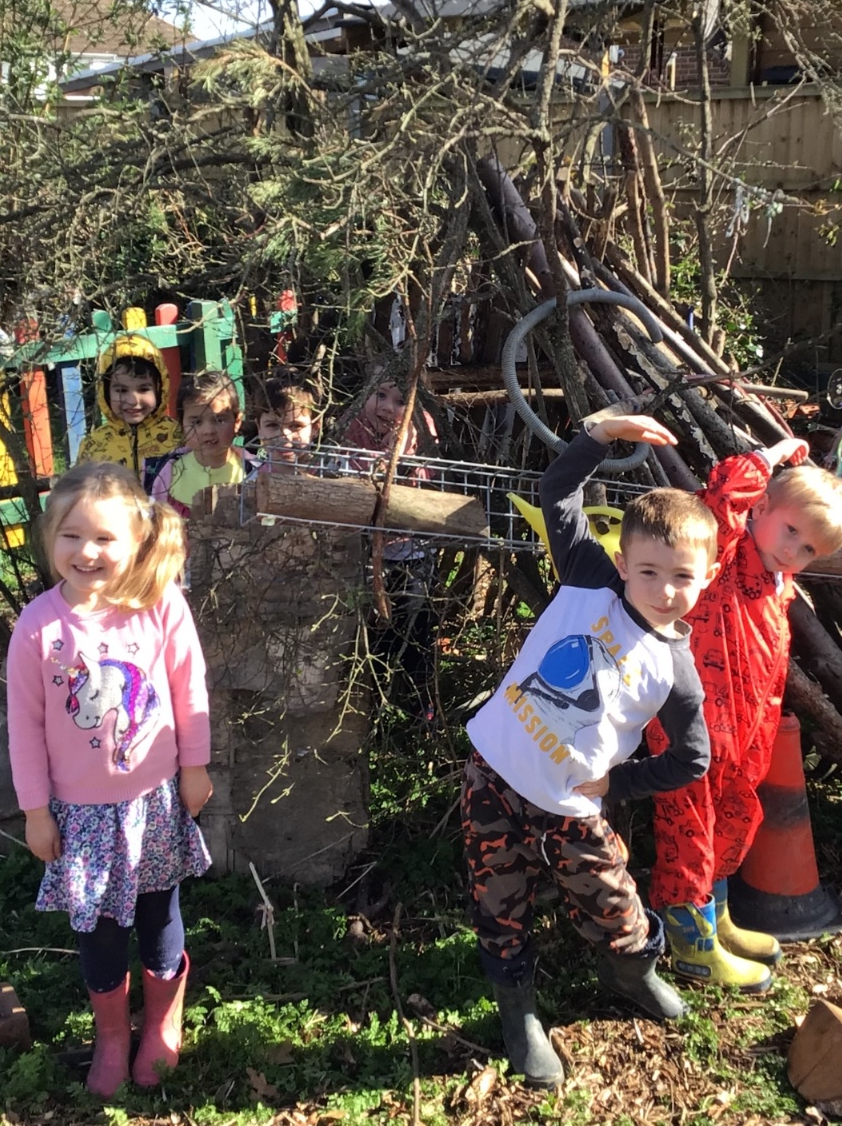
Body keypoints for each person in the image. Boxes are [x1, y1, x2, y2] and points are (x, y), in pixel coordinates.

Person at [463, 412, 721, 1090]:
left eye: (683, 576)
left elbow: (692, 758)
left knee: (614, 903)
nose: (664, 590)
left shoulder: (676, 672)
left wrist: (616, 785)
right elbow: (557, 491)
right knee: (500, 901)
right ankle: (519, 1015)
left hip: (572, 805)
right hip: (494, 774)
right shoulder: (588, 577)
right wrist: (600, 434)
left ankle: (632, 972)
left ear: (709, 577)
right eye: (649, 571)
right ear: (624, 562)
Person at [7, 463, 214, 1097]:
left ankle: (162, 1022)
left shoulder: (161, 605)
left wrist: (195, 767)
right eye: (71, 536)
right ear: (49, 539)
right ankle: (113, 1035)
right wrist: (35, 811)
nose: (87, 552)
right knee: (97, 932)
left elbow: (190, 691)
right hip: (80, 816)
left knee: (159, 916)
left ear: (137, 540)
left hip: (154, 804)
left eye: (104, 538)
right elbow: (25, 727)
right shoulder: (38, 626)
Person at [647, 442, 842, 992]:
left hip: (744, 730)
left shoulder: (779, 584)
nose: (793, 551)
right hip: (690, 726)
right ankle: (691, 945)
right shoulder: (722, 555)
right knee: (690, 830)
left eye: (809, 548)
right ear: (760, 508)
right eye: (790, 531)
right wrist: (775, 455)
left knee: (734, 817)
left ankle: (717, 919)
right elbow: (722, 495)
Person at [341, 366, 439, 717]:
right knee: (370, 630)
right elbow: (347, 471)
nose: (386, 407)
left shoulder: (421, 429)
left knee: (414, 627)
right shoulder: (355, 426)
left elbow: (427, 477)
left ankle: (419, 707)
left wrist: (402, 456)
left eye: (400, 402)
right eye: (380, 396)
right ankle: (371, 703)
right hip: (365, 552)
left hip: (410, 552)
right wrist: (375, 461)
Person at [77, 334, 183, 490]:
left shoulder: (178, 436)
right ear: (105, 392)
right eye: (121, 390)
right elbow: (80, 493)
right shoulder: (93, 445)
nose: (133, 401)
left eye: (143, 389)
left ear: (160, 388)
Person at [149, 370, 255, 517]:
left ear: (237, 422)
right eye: (196, 422)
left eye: (219, 420)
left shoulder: (252, 471)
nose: (208, 431)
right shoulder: (167, 471)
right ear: (181, 425)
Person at [250, 373, 320, 473]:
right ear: (259, 428)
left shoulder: (329, 474)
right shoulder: (251, 477)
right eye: (273, 425)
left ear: (315, 428)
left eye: (296, 426)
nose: (284, 436)